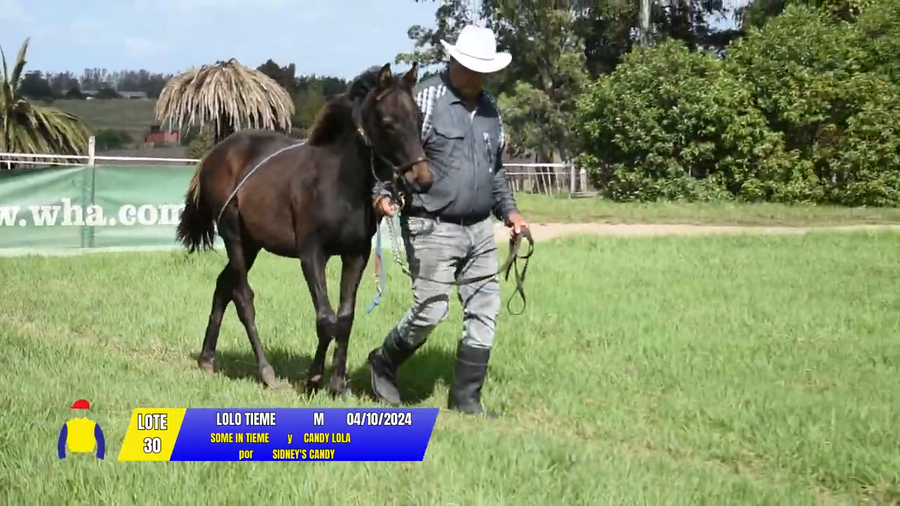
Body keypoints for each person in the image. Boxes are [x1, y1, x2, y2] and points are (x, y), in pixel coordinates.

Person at [367, 24, 529, 418]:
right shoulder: (424, 98)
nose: (478, 74)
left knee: (485, 309)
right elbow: (392, 152)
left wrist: (510, 212)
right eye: (471, 65)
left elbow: (495, 171)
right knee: (431, 311)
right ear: (454, 60)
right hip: (431, 224)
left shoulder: (491, 109)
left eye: (484, 68)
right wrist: (382, 194)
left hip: (478, 227)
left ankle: (466, 399)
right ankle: (383, 362)